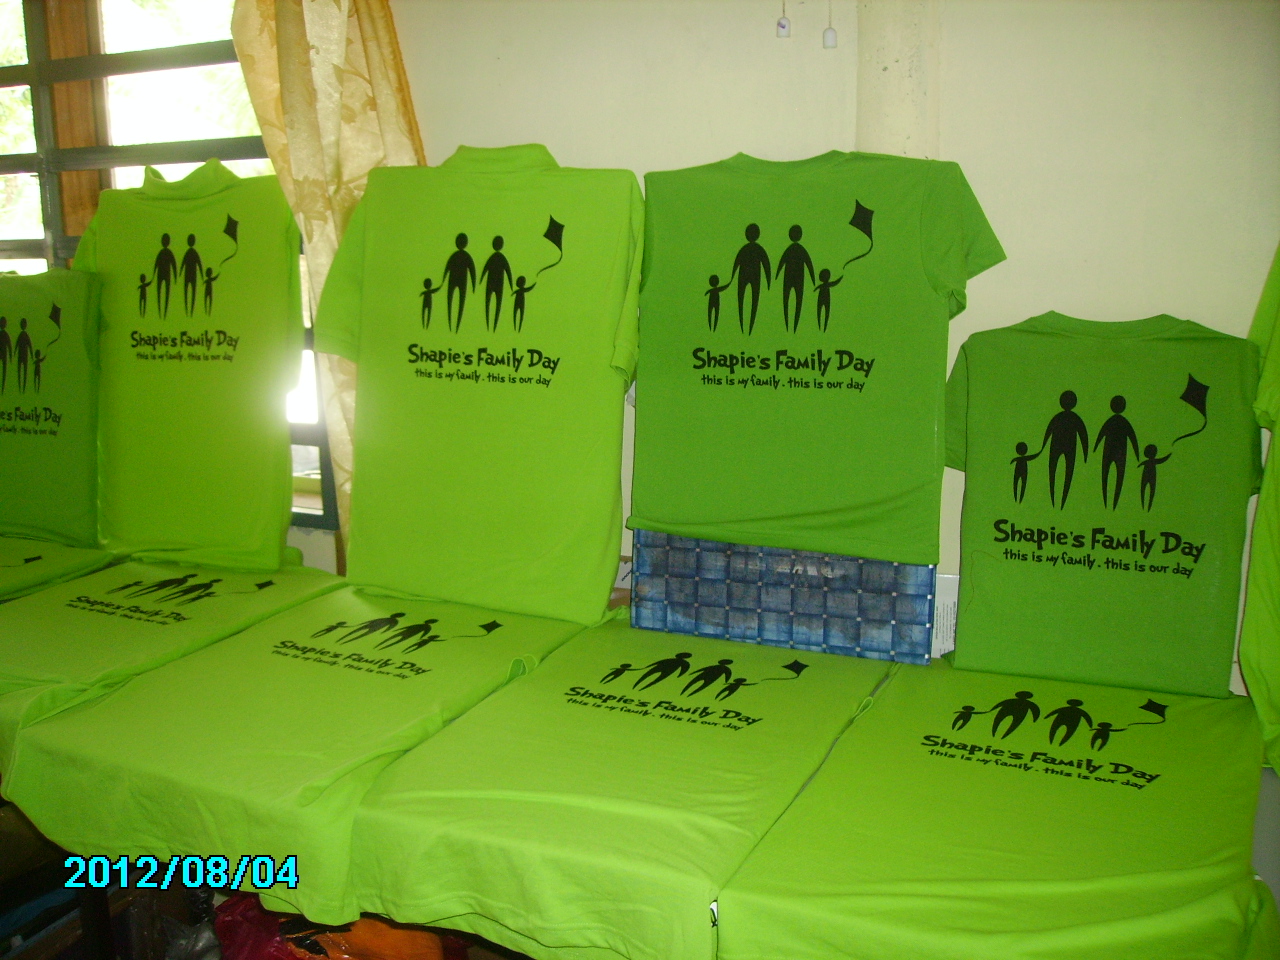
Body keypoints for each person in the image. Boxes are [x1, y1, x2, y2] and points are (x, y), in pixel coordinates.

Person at [1042, 390, 1090, 508]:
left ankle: (1060, 500)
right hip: (1066, 447)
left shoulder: (1060, 417)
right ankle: (1057, 500)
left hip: (1062, 446)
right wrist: (1085, 454)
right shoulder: (1073, 418)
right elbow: (1083, 436)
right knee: (1061, 471)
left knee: (1061, 471)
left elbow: (1083, 436)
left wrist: (1085, 453)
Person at [1095, 395, 1140, 509]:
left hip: (1113, 451)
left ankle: (1111, 502)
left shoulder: (1113, 421)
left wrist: (1095, 447)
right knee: (1115, 475)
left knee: (1110, 474)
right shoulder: (1122, 422)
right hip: (1118, 451)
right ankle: (1110, 502)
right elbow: (1133, 439)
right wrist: (1137, 453)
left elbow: (1101, 435)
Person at [728, 224, 772, 334]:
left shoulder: (747, 249)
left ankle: (747, 326)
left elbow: (766, 265)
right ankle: (745, 326)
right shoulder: (757, 249)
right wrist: (768, 281)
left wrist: (768, 280)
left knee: (748, 299)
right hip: (752, 276)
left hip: (747, 276)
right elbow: (766, 265)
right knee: (749, 300)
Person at [777, 225, 815, 332]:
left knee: (794, 299)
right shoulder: (798, 250)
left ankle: (792, 326)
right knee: (793, 299)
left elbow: (808, 264)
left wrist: (777, 273)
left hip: (793, 277)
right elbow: (809, 265)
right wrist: (813, 278)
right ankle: (790, 325)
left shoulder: (792, 249)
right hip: (795, 277)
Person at [443, 233, 477, 332]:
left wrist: (474, 285)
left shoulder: (456, 256)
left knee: (455, 301)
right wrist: (473, 285)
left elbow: (472, 271)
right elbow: (472, 271)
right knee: (455, 301)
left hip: (456, 280)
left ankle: (454, 325)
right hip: (460, 280)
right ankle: (453, 325)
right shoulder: (465, 256)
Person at [480, 235, 513, 331]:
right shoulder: (500, 258)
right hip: (497, 282)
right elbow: (508, 272)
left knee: (492, 302)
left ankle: (492, 325)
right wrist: (511, 284)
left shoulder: (495, 257)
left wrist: (481, 279)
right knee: (494, 302)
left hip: (493, 282)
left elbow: (486, 269)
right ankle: (491, 324)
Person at [1138, 443, 1172, 510]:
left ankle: (1148, 505)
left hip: (1149, 475)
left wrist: (1169, 455)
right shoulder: (1152, 461)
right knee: (1146, 489)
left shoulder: (1150, 461)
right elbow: (1162, 460)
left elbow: (1162, 460)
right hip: (1148, 474)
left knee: (1150, 490)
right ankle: (1146, 505)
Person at [152, 233, 178, 318]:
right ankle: (161, 312)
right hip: (163, 274)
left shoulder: (166, 253)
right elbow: (157, 265)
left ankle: (164, 313)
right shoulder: (163, 253)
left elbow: (173, 265)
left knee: (165, 292)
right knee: (160, 292)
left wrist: (175, 276)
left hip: (165, 274)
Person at [338, 613, 406, 644]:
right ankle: (343, 641)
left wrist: (384, 631)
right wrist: (384, 631)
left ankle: (343, 641)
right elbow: (390, 627)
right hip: (374, 627)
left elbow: (390, 627)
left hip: (375, 627)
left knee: (358, 633)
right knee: (357, 632)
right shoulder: (393, 621)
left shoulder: (393, 621)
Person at [180, 234, 204, 317]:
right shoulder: (191, 253)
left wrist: (201, 274)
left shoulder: (192, 253)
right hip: (190, 275)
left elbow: (199, 264)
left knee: (191, 291)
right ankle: (188, 311)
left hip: (191, 275)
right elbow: (184, 263)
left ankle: (190, 311)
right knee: (188, 291)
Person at [14, 319, 31, 393]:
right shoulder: (21, 335)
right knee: (20, 370)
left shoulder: (25, 335)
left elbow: (29, 345)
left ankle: (23, 388)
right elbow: (17, 344)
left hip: (24, 355)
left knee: (24, 371)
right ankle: (20, 387)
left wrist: (32, 354)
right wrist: (14, 352)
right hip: (21, 355)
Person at [0, 317, 10, 393]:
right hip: (3, 354)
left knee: (4, 372)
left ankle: (2, 390)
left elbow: (9, 346)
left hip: (4, 355)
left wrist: (10, 355)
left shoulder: (6, 334)